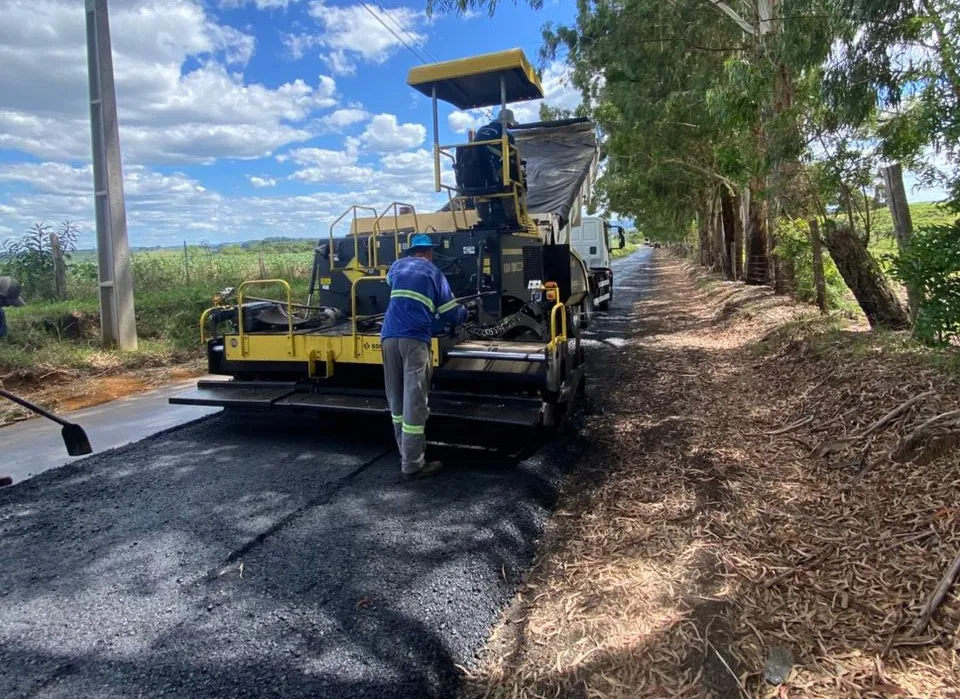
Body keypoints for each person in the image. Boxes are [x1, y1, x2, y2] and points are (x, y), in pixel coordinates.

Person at [381, 234, 468, 481]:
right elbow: (450, 312)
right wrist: (464, 313)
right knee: (415, 400)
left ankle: (404, 453)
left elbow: (392, 284)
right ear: (429, 253)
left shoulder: (397, 266)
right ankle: (413, 465)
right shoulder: (433, 272)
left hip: (388, 337)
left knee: (396, 400)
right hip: (414, 340)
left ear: (411, 252)